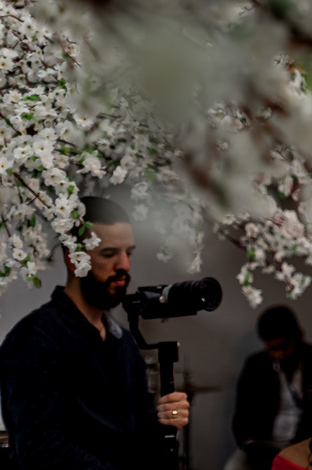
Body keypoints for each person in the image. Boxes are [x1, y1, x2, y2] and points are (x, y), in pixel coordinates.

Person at [0, 196, 191, 469]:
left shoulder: (123, 343)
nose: (124, 265)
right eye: (109, 253)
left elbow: (139, 442)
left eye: (129, 253)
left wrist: (166, 422)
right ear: (73, 258)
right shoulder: (35, 339)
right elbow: (42, 451)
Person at [231, 306, 312, 470]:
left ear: (299, 337)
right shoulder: (255, 365)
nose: (279, 354)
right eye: (272, 348)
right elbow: (241, 417)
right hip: (264, 445)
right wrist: (251, 446)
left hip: (309, 445)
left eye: (284, 346)